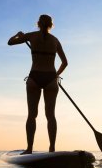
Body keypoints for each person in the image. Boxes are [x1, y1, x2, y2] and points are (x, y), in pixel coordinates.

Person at [8, 14, 68, 154]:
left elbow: (10, 42)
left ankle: (29, 149)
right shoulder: (55, 40)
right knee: (51, 115)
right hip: (51, 79)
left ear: (38, 23)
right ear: (51, 25)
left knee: (32, 115)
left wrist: (18, 35)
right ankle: (52, 149)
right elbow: (65, 63)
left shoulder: (31, 36)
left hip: (35, 77)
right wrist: (56, 75)